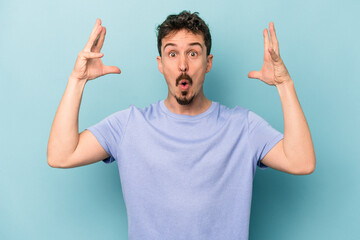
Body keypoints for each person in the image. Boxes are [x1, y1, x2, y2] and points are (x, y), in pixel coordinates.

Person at [47, 11, 315, 240]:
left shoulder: (242, 127)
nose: (183, 65)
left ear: (208, 63)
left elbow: (301, 162)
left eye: (193, 53)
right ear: (160, 64)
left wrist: (284, 84)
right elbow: (61, 154)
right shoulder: (129, 125)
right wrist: (77, 80)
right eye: (172, 53)